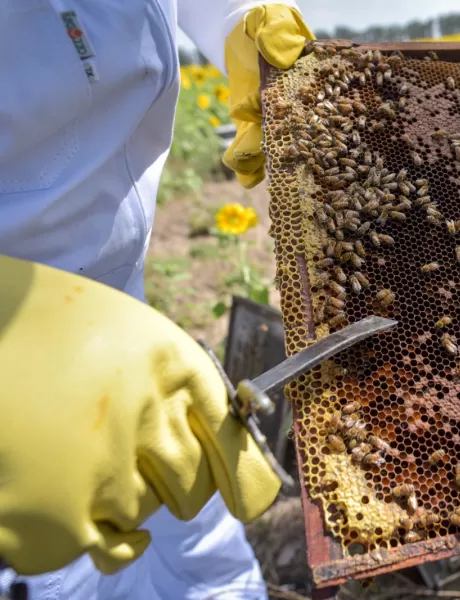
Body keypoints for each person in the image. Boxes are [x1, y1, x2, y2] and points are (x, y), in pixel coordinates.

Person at [0, 2, 314, 599]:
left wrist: (237, 18)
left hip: (123, 318)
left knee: (209, 560)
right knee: (69, 576)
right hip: (16, 391)